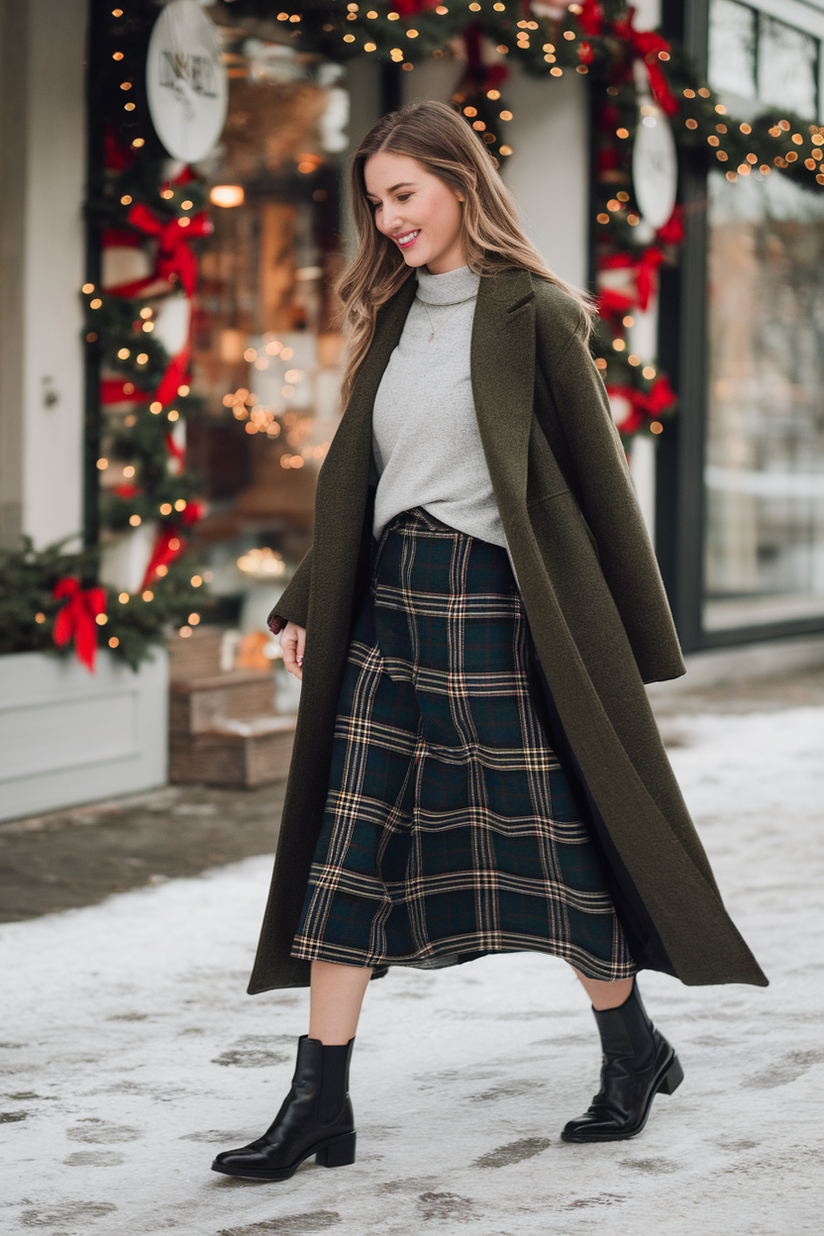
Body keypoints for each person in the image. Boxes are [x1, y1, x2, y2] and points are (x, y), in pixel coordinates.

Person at [211, 100, 766, 1183]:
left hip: (495, 610)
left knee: (547, 839)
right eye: (375, 203)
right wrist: (305, 599)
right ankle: (316, 1101)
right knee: (346, 844)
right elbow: (362, 485)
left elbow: (593, 487)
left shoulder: (536, 315)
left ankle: (631, 1050)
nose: (389, 220)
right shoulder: (389, 317)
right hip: (386, 606)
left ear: (460, 184)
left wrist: (633, 641)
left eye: (404, 195)